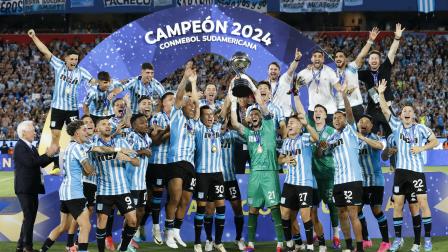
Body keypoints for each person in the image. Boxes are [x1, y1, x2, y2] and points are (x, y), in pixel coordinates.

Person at [378, 79, 438, 252]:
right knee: (397, 205)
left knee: (422, 204)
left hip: (417, 172)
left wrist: (422, 147)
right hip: (401, 173)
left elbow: (434, 141)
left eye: (409, 111)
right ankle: (398, 239)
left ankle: (426, 241)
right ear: (401, 115)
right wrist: (381, 93)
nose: (406, 112)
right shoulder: (396, 126)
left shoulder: (421, 128)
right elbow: (384, 109)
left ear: (413, 115)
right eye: (404, 110)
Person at [27, 29, 96, 175]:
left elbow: (93, 81)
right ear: (65, 59)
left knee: (77, 134)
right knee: (56, 136)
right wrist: (34, 37)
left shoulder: (81, 72)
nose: (74, 62)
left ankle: (80, 161)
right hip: (58, 108)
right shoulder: (58, 65)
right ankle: (56, 162)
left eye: (76, 60)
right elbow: (45, 51)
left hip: (71, 109)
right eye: (71, 59)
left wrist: (101, 84)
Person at [230, 86, 284, 252]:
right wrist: (233, 102)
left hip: (270, 173)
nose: (254, 116)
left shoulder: (268, 127)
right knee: (253, 209)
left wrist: (253, 89)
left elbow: (264, 108)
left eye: (256, 114)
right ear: (247, 119)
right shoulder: (248, 133)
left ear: (261, 116)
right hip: (255, 176)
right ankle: (251, 243)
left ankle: (280, 243)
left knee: (275, 207)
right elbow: (234, 123)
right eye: (251, 114)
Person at [319, 85, 364, 252]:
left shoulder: (350, 130)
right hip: (338, 181)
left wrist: (344, 96)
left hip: (352, 179)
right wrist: (322, 146)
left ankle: (359, 248)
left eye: (339, 117)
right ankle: (349, 245)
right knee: (342, 214)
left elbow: (350, 113)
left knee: (353, 214)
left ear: (345, 120)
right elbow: (321, 153)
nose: (336, 120)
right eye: (334, 118)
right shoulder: (332, 136)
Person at [40, 120, 94, 252]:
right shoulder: (77, 147)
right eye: (84, 130)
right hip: (74, 192)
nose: (87, 132)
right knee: (86, 226)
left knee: (63, 226)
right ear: (77, 133)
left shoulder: (69, 147)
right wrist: (93, 169)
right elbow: (88, 170)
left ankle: (42, 250)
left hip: (65, 191)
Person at [92, 118, 140, 252]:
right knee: (101, 224)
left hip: (122, 189)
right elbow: (99, 149)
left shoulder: (121, 141)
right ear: (97, 129)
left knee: (132, 221)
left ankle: (123, 248)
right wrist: (118, 150)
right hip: (104, 191)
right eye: (103, 124)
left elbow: (137, 162)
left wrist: (129, 159)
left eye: (109, 124)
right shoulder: (93, 143)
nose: (107, 126)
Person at [164, 63, 199, 249]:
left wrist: (194, 84)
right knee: (175, 198)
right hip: (175, 162)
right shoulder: (177, 115)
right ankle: (168, 233)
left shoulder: (194, 122)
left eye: (194, 105)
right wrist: (186, 78)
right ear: (183, 105)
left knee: (185, 200)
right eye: (190, 104)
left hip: (190, 165)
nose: (193, 107)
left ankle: (176, 232)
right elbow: (179, 96)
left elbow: (196, 103)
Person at [278, 103, 319, 252]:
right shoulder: (286, 142)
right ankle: (291, 244)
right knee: (285, 213)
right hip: (289, 183)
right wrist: (285, 160)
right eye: (288, 123)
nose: (289, 125)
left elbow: (316, 137)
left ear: (299, 127)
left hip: (304, 183)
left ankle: (309, 246)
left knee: (305, 214)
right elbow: (279, 159)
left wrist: (307, 124)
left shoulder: (305, 138)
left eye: (292, 123)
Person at [14, 121, 58, 252]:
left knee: (30, 218)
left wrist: (52, 154)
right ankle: (28, 247)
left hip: (31, 188)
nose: (34, 132)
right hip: (25, 188)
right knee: (29, 217)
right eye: (32, 130)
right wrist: (48, 154)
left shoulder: (31, 147)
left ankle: (20, 246)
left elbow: (40, 163)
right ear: (23, 133)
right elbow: (31, 163)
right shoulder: (20, 146)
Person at [358, 23, 405, 136]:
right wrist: (369, 41)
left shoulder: (385, 67)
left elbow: (392, 52)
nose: (374, 60)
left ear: (379, 60)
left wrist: (397, 38)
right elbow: (354, 65)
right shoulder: (364, 74)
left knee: (393, 136)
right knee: (368, 136)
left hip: (386, 107)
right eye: (371, 58)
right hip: (371, 109)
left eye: (376, 58)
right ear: (368, 61)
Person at [192, 105, 227, 252]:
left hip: (217, 174)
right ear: (200, 117)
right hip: (202, 174)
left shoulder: (218, 128)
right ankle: (198, 242)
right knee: (202, 209)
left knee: (221, 208)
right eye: (206, 115)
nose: (210, 117)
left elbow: (224, 111)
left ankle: (217, 242)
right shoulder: (198, 129)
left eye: (211, 114)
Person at [307, 103, 341, 249]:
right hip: (312, 175)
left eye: (321, 111)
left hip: (328, 175)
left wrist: (321, 149)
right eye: (315, 111)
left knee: (332, 205)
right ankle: (317, 233)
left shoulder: (332, 131)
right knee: (312, 208)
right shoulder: (308, 130)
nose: (317, 112)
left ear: (326, 116)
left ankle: (336, 235)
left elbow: (329, 152)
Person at [356, 115, 390, 252]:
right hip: (360, 182)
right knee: (357, 210)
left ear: (371, 126)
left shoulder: (374, 137)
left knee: (376, 210)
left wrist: (363, 137)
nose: (363, 123)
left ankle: (386, 242)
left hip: (375, 181)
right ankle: (365, 239)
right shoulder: (354, 140)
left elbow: (380, 146)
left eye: (367, 122)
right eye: (361, 121)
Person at [145, 91, 175, 244]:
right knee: (156, 197)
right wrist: (168, 131)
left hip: (173, 163)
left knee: (172, 197)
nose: (173, 101)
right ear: (163, 103)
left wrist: (168, 132)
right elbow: (155, 141)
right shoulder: (157, 117)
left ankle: (170, 231)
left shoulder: (178, 117)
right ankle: (155, 227)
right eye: (170, 99)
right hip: (157, 162)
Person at [334, 27, 380, 122]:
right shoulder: (332, 73)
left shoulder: (351, 67)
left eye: (341, 56)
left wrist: (370, 40)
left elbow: (361, 55)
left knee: (359, 132)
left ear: (346, 59)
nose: (338, 58)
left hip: (356, 106)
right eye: (336, 57)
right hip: (341, 107)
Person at [126, 114, 152, 248]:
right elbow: (125, 153)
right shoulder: (131, 136)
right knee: (132, 213)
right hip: (131, 181)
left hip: (141, 181)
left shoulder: (147, 138)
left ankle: (131, 236)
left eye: (146, 122)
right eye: (141, 123)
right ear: (134, 125)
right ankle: (126, 242)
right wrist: (142, 152)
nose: (145, 124)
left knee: (141, 211)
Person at [265, 49, 303, 118]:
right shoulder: (265, 85)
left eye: (275, 69)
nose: (273, 71)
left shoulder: (284, 79)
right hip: (272, 117)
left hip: (286, 115)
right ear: (268, 71)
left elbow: (291, 70)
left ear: (279, 72)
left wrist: (296, 60)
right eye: (271, 69)